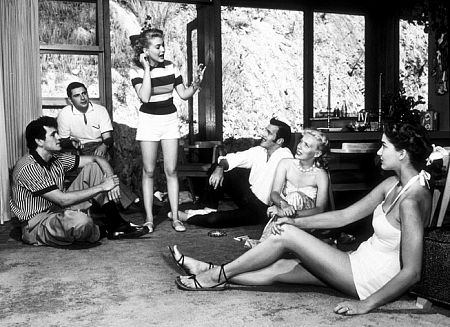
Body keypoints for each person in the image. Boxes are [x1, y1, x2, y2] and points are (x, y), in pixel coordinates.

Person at [172, 122, 435, 315]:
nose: (379, 152)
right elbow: (343, 216)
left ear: (402, 154)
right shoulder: (392, 183)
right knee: (278, 270)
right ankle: (210, 271)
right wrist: (296, 221)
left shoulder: (412, 200)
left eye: (384, 146)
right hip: (356, 261)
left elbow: (412, 272)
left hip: (368, 281)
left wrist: (365, 305)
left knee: (284, 235)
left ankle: (212, 276)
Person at [10, 116, 148, 247]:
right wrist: (102, 187)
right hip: (38, 223)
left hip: (58, 210)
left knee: (94, 168)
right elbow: (62, 200)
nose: (58, 137)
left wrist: (113, 183)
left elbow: (97, 159)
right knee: (81, 222)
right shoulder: (28, 167)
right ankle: (103, 229)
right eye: (53, 135)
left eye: (57, 133)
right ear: (39, 141)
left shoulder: (55, 158)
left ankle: (117, 225)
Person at [130, 25, 205, 233]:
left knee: (171, 170)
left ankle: (175, 218)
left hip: (169, 120)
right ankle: (149, 219)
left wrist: (197, 84)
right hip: (148, 122)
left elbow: (183, 94)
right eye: (157, 46)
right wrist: (146, 69)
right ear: (146, 50)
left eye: (163, 45)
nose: (162, 50)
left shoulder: (171, 67)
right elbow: (144, 97)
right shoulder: (136, 71)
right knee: (149, 170)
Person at [175, 118, 293, 228]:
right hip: (249, 196)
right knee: (218, 167)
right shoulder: (260, 151)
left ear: (279, 141)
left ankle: (190, 217)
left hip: (262, 209)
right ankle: (208, 208)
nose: (263, 134)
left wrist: (284, 207)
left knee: (215, 220)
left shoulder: (285, 157)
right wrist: (220, 168)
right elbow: (233, 158)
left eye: (268, 133)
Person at [57, 81, 139, 211]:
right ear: (70, 100)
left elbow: (108, 138)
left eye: (84, 93)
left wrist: (103, 146)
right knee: (97, 167)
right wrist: (72, 141)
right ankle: (130, 200)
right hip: (78, 149)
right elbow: (63, 141)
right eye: (77, 95)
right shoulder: (65, 114)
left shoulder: (100, 110)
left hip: (99, 145)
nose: (82, 98)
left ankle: (117, 202)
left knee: (100, 163)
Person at [252, 129, 330, 246]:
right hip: (285, 212)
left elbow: (320, 209)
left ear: (317, 153)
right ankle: (270, 245)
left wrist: (288, 213)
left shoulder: (320, 174)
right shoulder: (285, 163)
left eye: (306, 145)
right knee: (291, 199)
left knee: (295, 196)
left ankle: (267, 245)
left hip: (307, 220)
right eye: (301, 141)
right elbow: (274, 193)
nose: (299, 146)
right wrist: (284, 205)